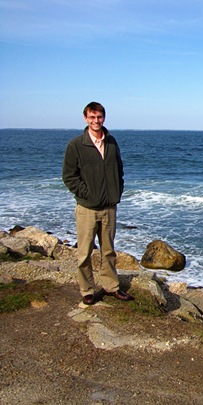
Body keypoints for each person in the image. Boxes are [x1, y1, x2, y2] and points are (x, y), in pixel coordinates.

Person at [62, 101, 134, 305]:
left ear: (104, 118)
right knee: (84, 252)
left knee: (108, 251)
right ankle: (87, 290)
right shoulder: (76, 145)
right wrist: (87, 194)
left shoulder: (111, 142)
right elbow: (69, 176)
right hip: (87, 208)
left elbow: (119, 170)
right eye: (92, 117)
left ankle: (111, 286)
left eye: (99, 117)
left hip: (109, 207)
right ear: (86, 118)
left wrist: (117, 191)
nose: (96, 120)